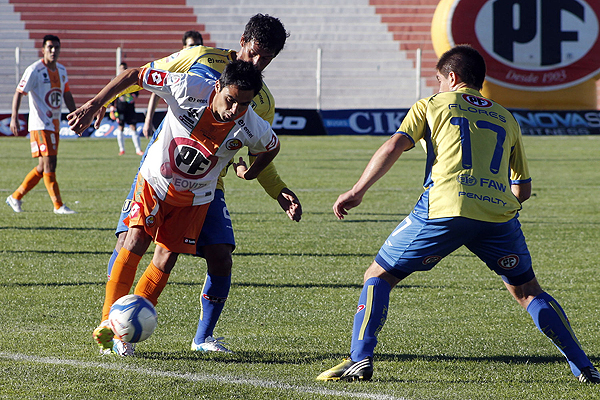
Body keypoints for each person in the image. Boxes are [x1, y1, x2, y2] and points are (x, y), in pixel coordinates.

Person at [317, 45, 600, 384]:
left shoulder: (431, 104)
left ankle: (359, 359)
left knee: (378, 276)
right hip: (499, 216)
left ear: (451, 78)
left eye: (438, 80)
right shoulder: (506, 117)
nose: (436, 86)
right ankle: (584, 366)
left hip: (443, 209)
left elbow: (394, 144)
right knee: (528, 292)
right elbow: (522, 189)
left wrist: (357, 190)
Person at [69, 14, 301, 356]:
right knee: (131, 239)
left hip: (206, 186)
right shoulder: (200, 61)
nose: (258, 62)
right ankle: (110, 323)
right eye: (254, 53)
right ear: (242, 42)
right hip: (160, 167)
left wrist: (275, 188)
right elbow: (141, 75)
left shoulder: (259, 103)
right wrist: (98, 104)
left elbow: (260, 148)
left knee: (200, 255)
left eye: (268, 58)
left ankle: (196, 337)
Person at [6, 34, 77, 215]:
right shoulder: (34, 70)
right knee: (50, 164)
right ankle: (58, 206)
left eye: (56, 48)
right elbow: (19, 92)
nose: (53, 51)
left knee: (42, 167)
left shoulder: (61, 70)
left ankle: (15, 197)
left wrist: (75, 114)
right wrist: (14, 117)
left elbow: (67, 94)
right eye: (50, 47)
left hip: (54, 124)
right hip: (39, 124)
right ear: (43, 49)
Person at [143, 30, 203, 138]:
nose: (195, 49)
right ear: (184, 47)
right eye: (191, 45)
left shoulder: (208, 70)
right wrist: (148, 121)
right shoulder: (176, 68)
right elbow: (156, 94)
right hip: (177, 123)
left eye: (198, 46)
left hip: (201, 123)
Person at [109, 62, 143, 156]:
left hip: (130, 107)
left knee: (133, 127)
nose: (123, 70)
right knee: (120, 127)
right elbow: (111, 94)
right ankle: (122, 149)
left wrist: (133, 96)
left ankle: (138, 149)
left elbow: (137, 92)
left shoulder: (131, 79)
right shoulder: (115, 79)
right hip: (120, 108)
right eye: (121, 68)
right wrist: (112, 107)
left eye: (124, 68)